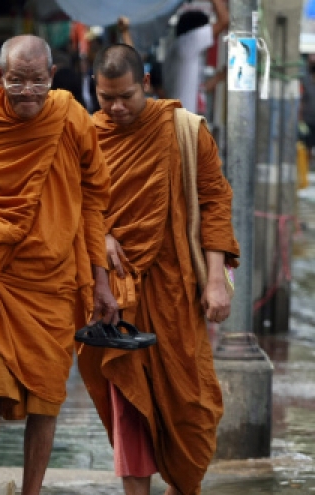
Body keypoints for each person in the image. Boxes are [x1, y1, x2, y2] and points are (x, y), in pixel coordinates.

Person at [0, 34, 119, 495]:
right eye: (17, 80)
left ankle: (32, 488)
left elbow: (93, 202)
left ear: (51, 77)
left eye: (37, 81)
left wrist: (101, 281)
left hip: (52, 281)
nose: (28, 91)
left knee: (47, 399)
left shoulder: (71, 117)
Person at [81, 43, 240, 495]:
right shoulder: (85, 135)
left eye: (125, 96)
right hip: (115, 292)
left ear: (146, 84)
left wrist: (216, 280)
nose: (115, 107)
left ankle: (182, 486)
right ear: (94, 88)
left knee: (192, 405)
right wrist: (104, 235)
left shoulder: (184, 130)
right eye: (105, 97)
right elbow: (75, 204)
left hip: (177, 288)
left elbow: (214, 201)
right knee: (128, 401)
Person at [163, 0, 229, 113]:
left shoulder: (178, 50)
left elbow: (197, 90)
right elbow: (224, 21)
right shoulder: (189, 42)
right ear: (198, 30)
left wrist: (220, 77)